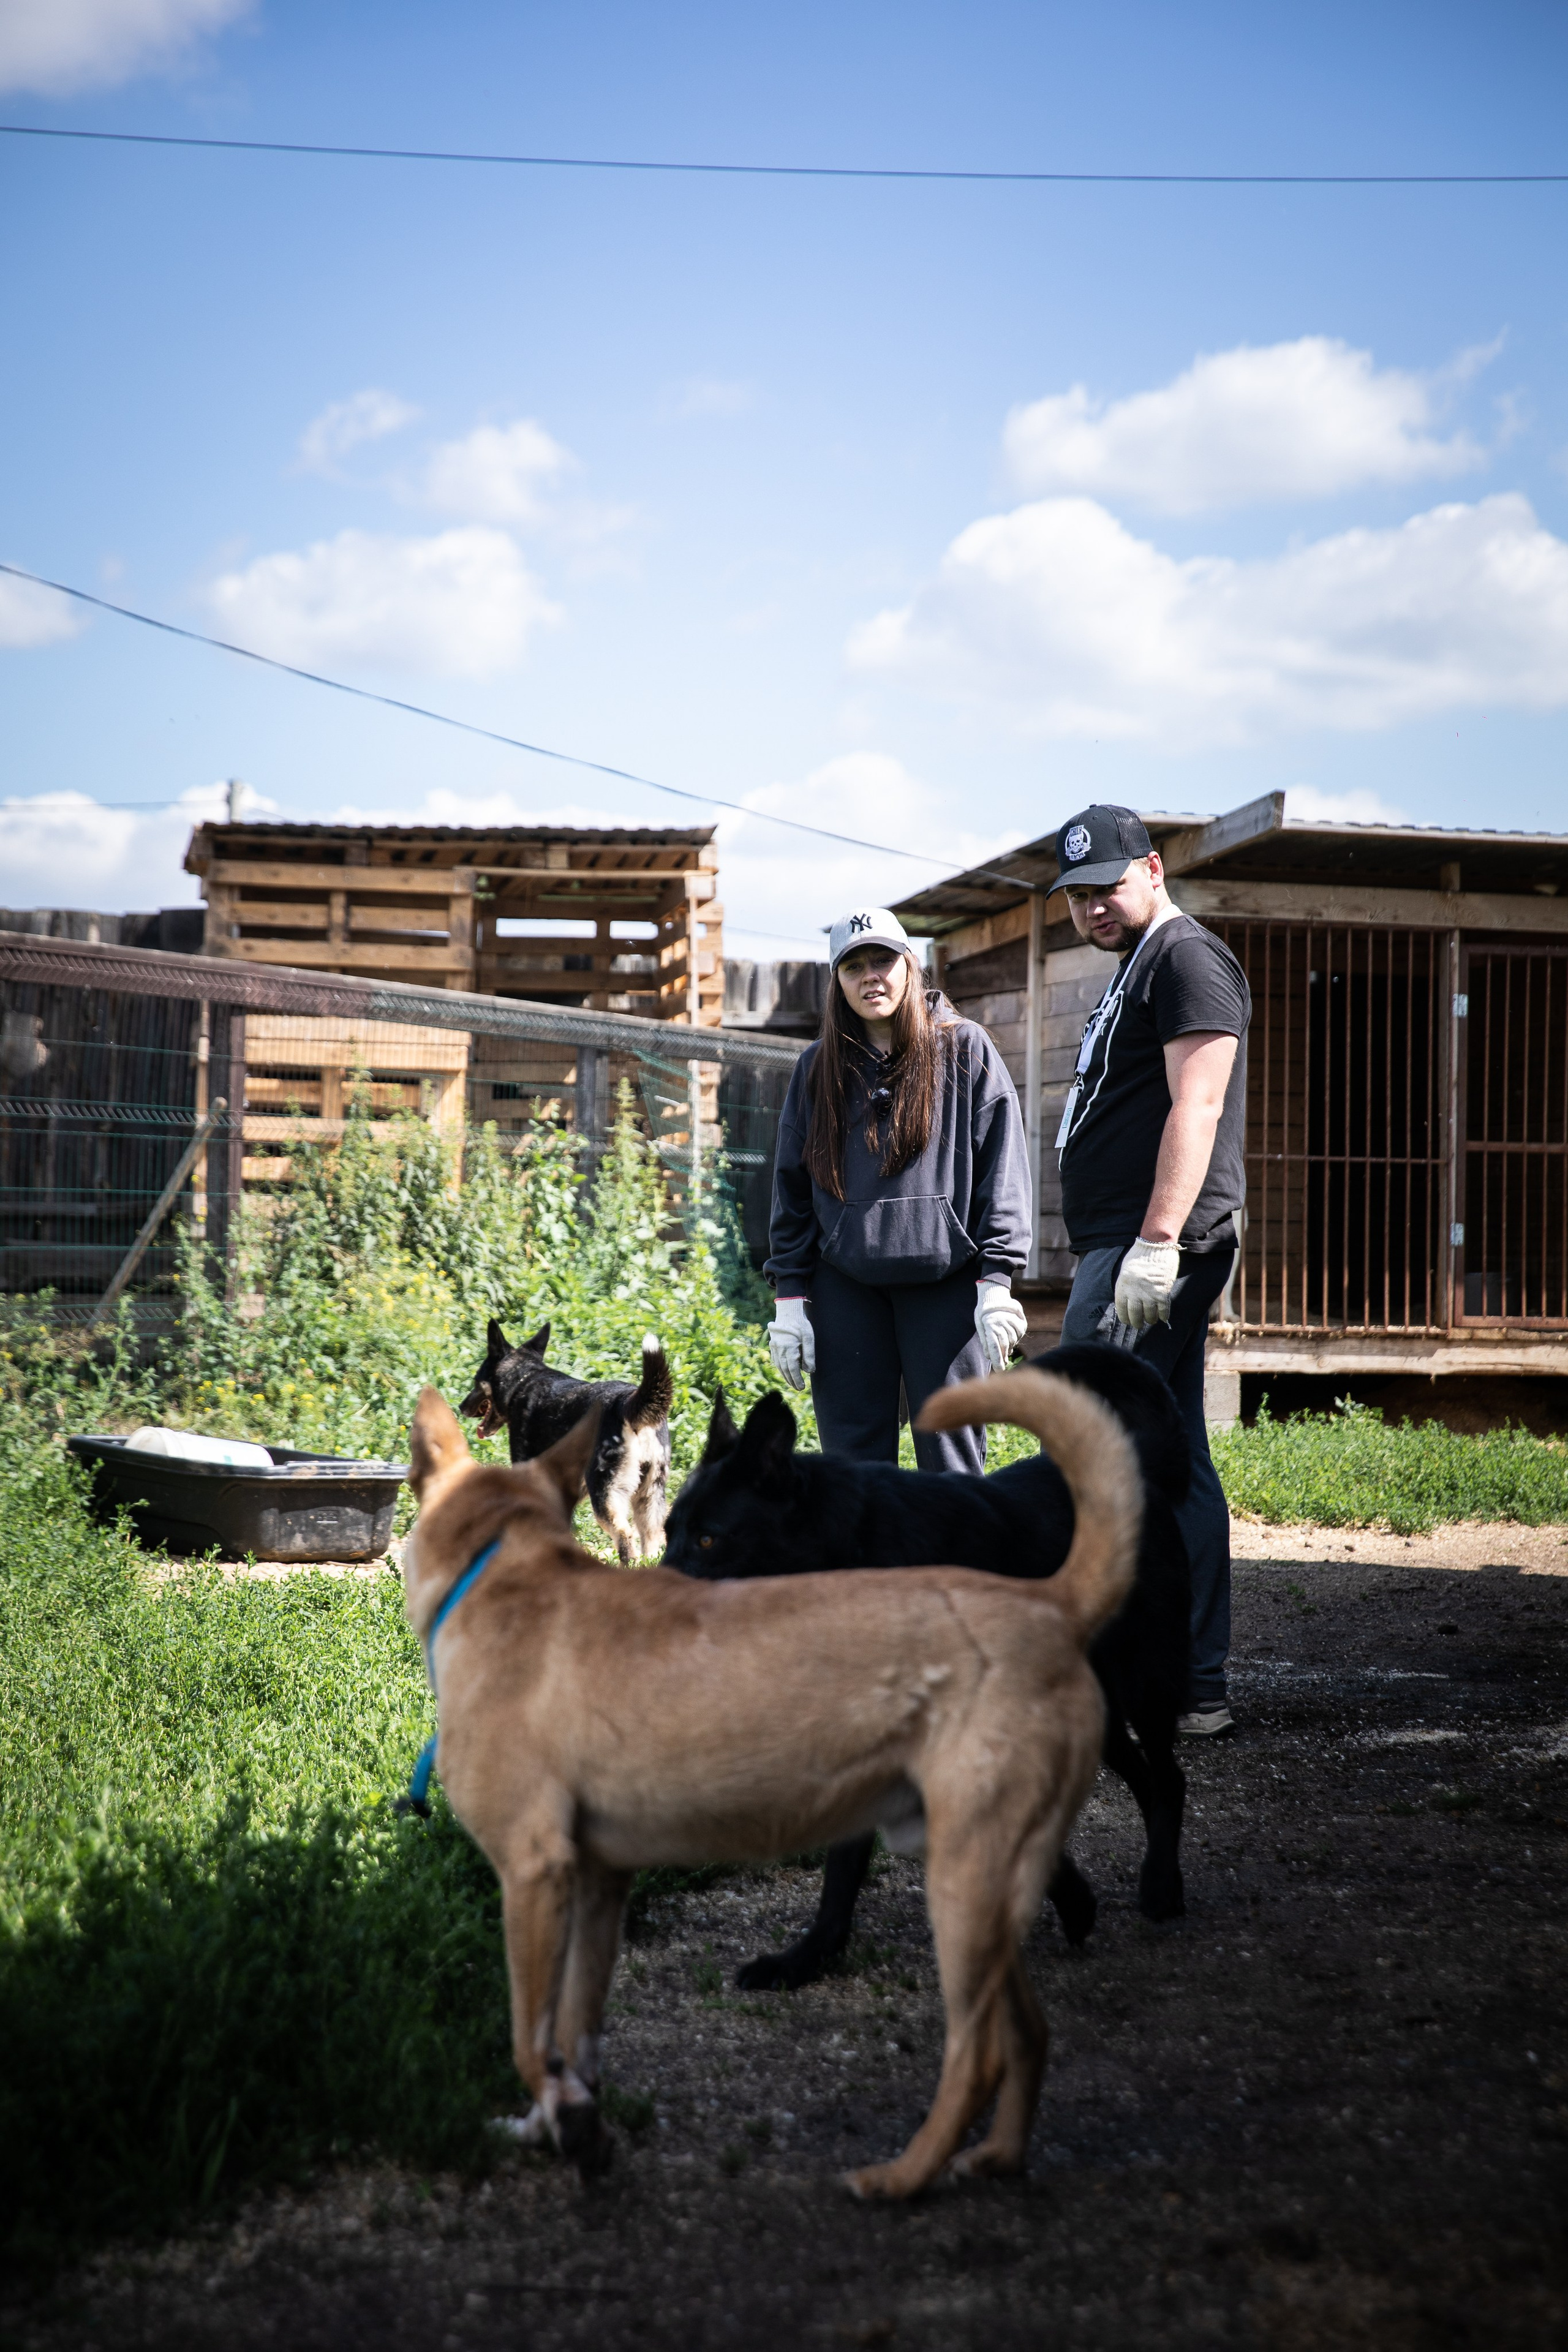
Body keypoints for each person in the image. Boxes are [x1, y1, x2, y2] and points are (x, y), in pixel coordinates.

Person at [1050, 804, 1251, 1739]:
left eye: (1108, 888)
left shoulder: (1185, 958)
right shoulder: (1141, 964)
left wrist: (1159, 1240)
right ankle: (1189, 1680)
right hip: (1125, 1242)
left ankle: (1136, 1669)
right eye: (1079, 897)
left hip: (1153, 1248)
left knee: (1096, 1441)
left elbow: (1198, 1104)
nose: (1093, 909)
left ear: (1155, 870)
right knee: (1170, 1456)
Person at [765, 907, 1031, 1476]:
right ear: (837, 982)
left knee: (952, 1458)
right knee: (852, 1463)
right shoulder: (816, 1069)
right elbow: (790, 1188)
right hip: (846, 1287)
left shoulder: (965, 1049)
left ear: (910, 966)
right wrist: (790, 1300)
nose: (871, 977)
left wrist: (997, 1282)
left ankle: (956, 1569)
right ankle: (868, 1569)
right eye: (853, 966)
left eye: (883, 960)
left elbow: (1001, 1168)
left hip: (947, 1283)